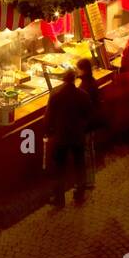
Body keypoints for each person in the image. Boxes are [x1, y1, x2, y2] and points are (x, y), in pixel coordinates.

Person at [43, 68, 91, 208]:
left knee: (59, 168)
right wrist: (83, 127)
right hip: (77, 135)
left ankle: (59, 198)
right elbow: (88, 113)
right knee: (79, 165)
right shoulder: (83, 95)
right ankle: (80, 193)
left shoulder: (55, 95)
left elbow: (48, 117)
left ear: (63, 79)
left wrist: (47, 131)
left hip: (61, 136)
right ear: (74, 79)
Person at [76, 57, 104, 192]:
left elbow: (83, 107)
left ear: (83, 70)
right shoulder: (91, 82)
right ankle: (90, 179)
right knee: (89, 150)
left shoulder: (85, 87)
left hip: (87, 124)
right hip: (92, 122)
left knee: (87, 152)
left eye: (78, 69)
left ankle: (89, 181)